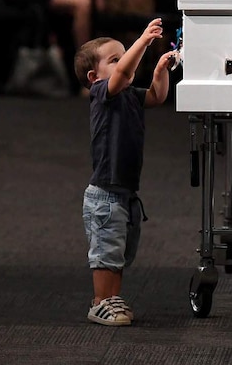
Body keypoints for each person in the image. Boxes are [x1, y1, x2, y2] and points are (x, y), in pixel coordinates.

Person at [74, 17, 174, 326]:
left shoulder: (129, 95)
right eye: (115, 59)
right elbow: (122, 74)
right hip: (105, 193)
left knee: (118, 253)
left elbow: (157, 97)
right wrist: (143, 41)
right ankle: (101, 302)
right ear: (94, 76)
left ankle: (109, 299)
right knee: (106, 253)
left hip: (125, 192)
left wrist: (159, 72)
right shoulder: (103, 93)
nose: (124, 63)